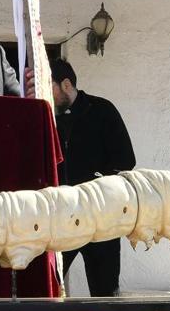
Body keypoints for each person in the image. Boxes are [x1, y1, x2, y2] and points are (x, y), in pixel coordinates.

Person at [49, 58, 136, 297]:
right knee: (47, 286)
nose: (47, 93)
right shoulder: (47, 117)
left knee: (105, 291)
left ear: (66, 84)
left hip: (101, 218)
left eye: (50, 86)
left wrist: (97, 186)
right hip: (61, 217)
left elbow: (125, 160)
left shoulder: (102, 110)